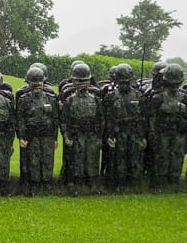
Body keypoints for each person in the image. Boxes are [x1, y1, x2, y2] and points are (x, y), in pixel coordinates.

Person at [59, 62, 103, 195]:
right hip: (76, 134)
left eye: (85, 81)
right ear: (74, 81)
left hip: (92, 134)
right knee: (76, 160)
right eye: (79, 81)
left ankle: (93, 185)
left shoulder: (95, 98)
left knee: (93, 159)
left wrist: (100, 136)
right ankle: (75, 185)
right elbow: (64, 120)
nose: (82, 84)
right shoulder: (70, 100)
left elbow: (101, 119)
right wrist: (66, 135)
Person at [146, 63, 187, 192]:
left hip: (178, 134)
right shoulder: (157, 98)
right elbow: (152, 119)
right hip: (163, 134)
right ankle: (161, 183)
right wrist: (153, 135)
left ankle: (173, 183)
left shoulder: (186, 98)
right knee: (163, 158)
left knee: (176, 158)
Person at [16, 66, 59, 194]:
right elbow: (20, 120)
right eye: (34, 84)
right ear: (28, 83)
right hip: (31, 135)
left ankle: (47, 184)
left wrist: (55, 137)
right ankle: (34, 185)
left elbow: (55, 119)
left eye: (39, 83)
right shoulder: (24, 99)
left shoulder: (51, 98)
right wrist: (22, 137)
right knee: (33, 161)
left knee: (47, 160)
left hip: (47, 135)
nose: (37, 86)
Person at [103, 63, 145, 192]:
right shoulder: (110, 96)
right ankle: (119, 184)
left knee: (135, 158)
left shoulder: (139, 96)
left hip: (134, 132)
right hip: (118, 132)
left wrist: (143, 136)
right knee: (118, 159)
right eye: (121, 81)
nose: (124, 84)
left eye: (126, 81)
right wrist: (109, 135)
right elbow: (107, 118)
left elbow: (144, 117)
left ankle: (134, 184)